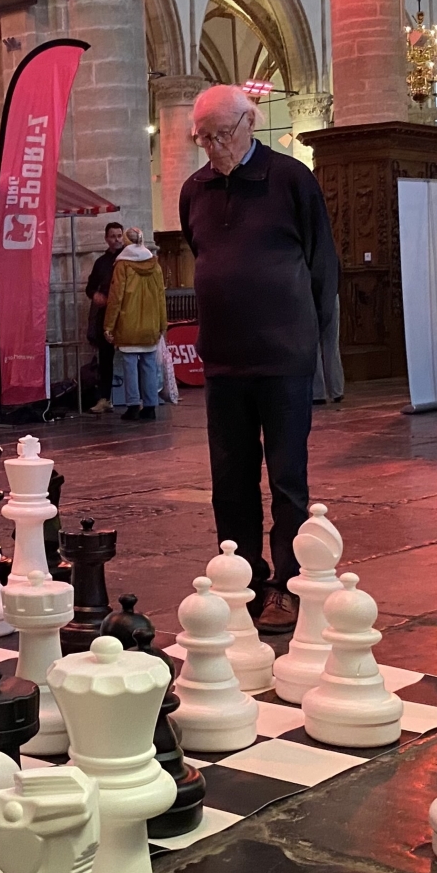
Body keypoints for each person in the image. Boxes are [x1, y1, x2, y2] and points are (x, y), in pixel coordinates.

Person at [179, 84, 336, 635]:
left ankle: (287, 587)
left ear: (251, 122)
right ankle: (241, 579)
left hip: (284, 359)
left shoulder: (291, 178)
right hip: (223, 361)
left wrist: (317, 350)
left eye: (220, 135)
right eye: (202, 137)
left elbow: (322, 267)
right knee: (230, 479)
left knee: (288, 478)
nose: (211, 147)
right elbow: (204, 255)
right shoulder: (194, 189)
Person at [104, 226, 165, 421]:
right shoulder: (154, 264)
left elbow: (116, 298)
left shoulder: (122, 265)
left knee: (130, 366)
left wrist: (109, 326)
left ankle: (133, 406)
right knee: (149, 366)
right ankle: (150, 406)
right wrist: (162, 324)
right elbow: (161, 296)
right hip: (150, 324)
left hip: (128, 324)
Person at [83, 221, 126, 412]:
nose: (116, 240)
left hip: (127, 314)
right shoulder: (101, 262)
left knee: (132, 358)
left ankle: (137, 398)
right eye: (113, 236)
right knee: (105, 359)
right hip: (106, 315)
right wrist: (95, 295)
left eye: (119, 235)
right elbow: (90, 287)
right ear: (106, 238)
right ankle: (104, 398)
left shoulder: (129, 258)